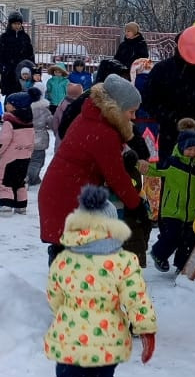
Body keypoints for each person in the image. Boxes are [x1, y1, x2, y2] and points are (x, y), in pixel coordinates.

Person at [44, 185, 158, 377]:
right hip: (109, 341)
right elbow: (136, 298)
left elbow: (54, 298)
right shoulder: (123, 261)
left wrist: (68, 313)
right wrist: (146, 329)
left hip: (71, 342)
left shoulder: (63, 260)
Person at [37, 76, 146, 263]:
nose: (134, 117)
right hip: (68, 197)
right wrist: (136, 206)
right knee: (72, 250)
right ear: (117, 109)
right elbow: (116, 176)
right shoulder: (103, 132)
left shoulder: (91, 118)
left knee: (68, 247)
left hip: (63, 192)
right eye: (131, 111)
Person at [141, 119, 195, 273]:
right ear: (181, 148)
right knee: (172, 237)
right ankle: (159, 254)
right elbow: (152, 169)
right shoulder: (171, 164)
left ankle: (182, 266)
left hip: (193, 212)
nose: (192, 152)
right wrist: (139, 164)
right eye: (189, 149)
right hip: (172, 210)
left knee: (190, 241)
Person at [141, 47, 195, 165]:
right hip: (172, 135)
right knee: (172, 175)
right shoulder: (163, 69)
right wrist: (170, 119)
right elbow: (148, 99)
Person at [0, 90, 37, 216]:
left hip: (10, 158)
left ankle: (5, 205)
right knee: (19, 181)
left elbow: (2, 143)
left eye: (8, 103)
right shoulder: (29, 122)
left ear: (15, 106)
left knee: (3, 181)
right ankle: (21, 205)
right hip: (25, 157)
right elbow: (33, 140)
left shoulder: (9, 123)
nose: (6, 105)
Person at [0, 14, 34, 97]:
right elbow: (0, 54)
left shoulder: (25, 37)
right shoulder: (4, 37)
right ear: (10, 24)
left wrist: (32, 67)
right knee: (10, 94)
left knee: (23, 93)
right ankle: (8, 109)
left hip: (22, 70)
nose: (17, 26)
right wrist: (0, 67)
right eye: (15, 24)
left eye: (18, 24)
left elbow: (30, 53)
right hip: (9, 70)